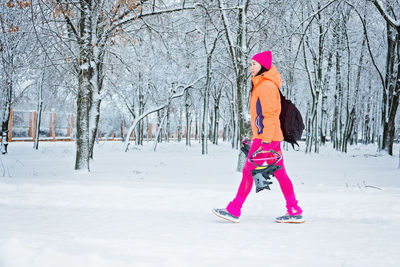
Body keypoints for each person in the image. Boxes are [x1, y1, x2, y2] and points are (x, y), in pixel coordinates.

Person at [212, 51, 304, 224]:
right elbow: (260, 118)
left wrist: (266, 142)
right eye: (250, 64)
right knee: (280, 173)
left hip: (266, 139)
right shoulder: (261, 85)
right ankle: (294, 209)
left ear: (262, 66)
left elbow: (270, 115)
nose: (251, 67)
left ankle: (234, 209)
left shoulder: (266, 86)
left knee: (248, 172)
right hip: (265, 137)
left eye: (254, 64)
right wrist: (255, 137)